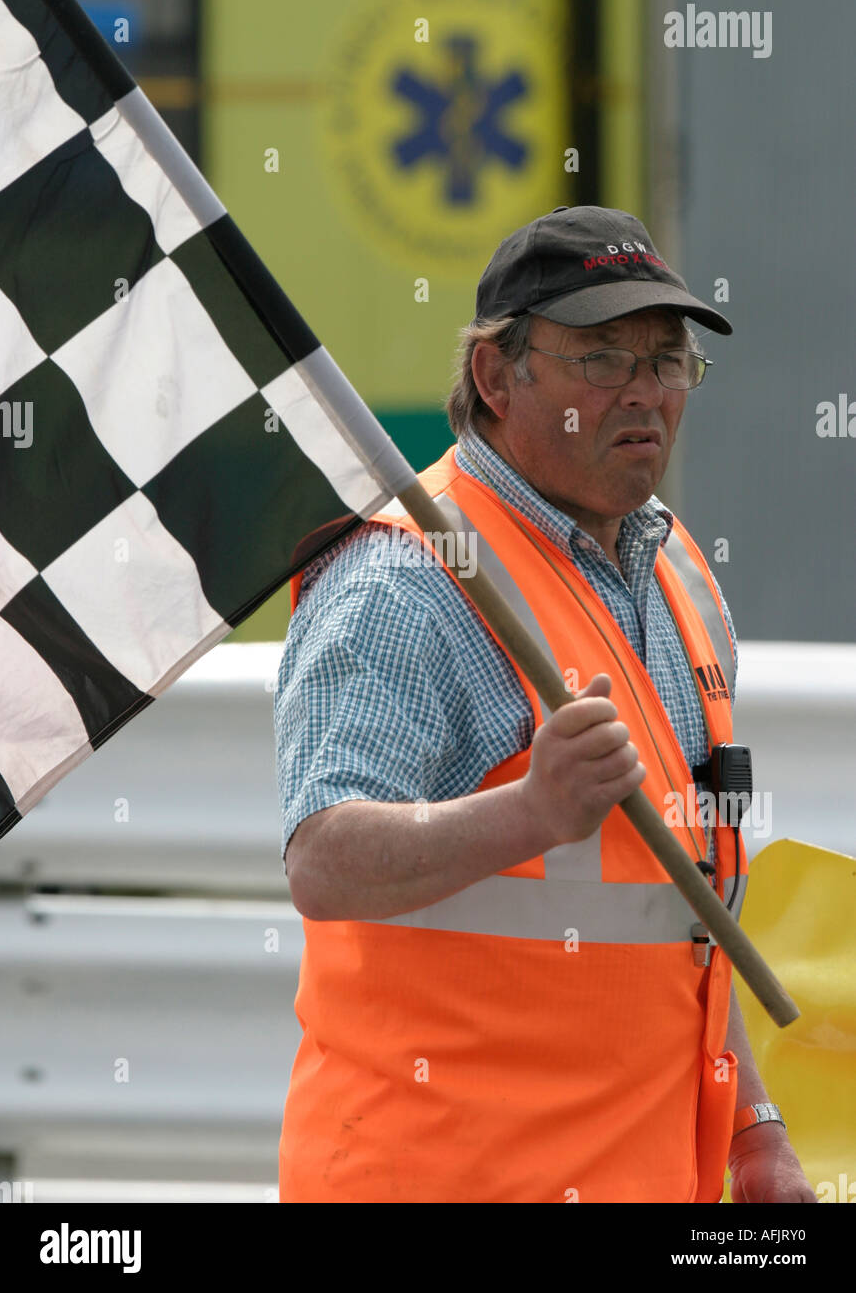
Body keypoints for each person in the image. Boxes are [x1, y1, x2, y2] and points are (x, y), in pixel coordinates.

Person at [273, 206, 815, 1204]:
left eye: (666, 361)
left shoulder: (674, 572)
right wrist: (530, 809)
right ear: (494, 377)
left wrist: (754, 1132)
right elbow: (323, 861)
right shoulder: (405, 581)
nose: (645, 394)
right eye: (601, 361)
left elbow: (680, 916)